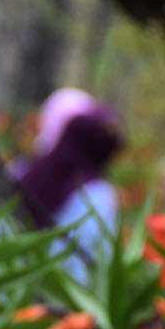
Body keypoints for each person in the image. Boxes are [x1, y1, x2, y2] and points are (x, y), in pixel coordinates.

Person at [13, 88, 123, 281]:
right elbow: (98, 259)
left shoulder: (20, 172)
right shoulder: (99, 194)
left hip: (10, 286)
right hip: (69, 298)